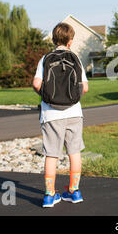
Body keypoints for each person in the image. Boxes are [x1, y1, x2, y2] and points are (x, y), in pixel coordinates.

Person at [32, 22, 88, 208]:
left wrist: (47, 97)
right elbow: (84, 87)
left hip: (51, 114)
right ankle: (74, 191)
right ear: (70, 41)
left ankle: (49, 195)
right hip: (74, 112)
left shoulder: (45, 58)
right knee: (74, 152)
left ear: (53, 39)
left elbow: (36, 84)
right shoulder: (76, 58)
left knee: (51, 154)